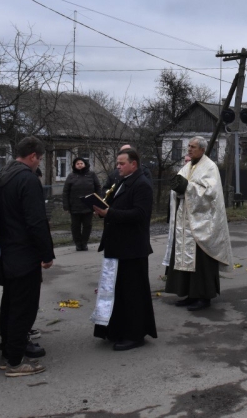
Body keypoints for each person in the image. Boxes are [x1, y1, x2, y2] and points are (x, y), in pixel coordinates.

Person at [0, 137, 54, 377]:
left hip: (7, 251)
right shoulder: (27, 179)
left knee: (10, 305)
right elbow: (36, 221)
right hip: (24, 253)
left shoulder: (1, 176)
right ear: (33, 156)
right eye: (40, 159)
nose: (39, 164)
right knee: (23, 309)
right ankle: (15, 362)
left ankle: (8, 352)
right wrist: (46, 253)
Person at [91, 149, 157, 351]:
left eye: (121, 163)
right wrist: (102, 211)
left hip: (132, 248)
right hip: (118, 245)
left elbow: (139, 215)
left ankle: (134, 334)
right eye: (117, 163)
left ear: (133, 164)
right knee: (117, 291)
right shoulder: (122, 181)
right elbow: (114, 207)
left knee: (133, 293)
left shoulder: (142, 185)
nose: (117, 167)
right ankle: (117, 329)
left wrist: (109, 213)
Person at [163, 136, 233, 312]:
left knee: (201, 262)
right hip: (186, 221)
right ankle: (190, 294)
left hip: (202, 223)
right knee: (186, 259)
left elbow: (211, 193)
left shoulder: (209, 167)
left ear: (202, 149)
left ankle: (203, 296)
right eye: (188, 146)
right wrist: (178, 189)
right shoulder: (188, 166)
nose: (189, 150)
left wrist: (187, 187)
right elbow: (179, 187)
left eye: (192, 147)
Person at [62, 157, 101, 251]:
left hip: (88, 205)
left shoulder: (91, 175)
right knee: (75, 226)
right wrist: (66, 205)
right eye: (77, 164)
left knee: (87, 225)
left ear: (85, 164)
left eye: (81, 163)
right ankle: (78, 244)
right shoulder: (71, 176)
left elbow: (98, 188)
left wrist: (98, 202)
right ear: (75, 166)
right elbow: (66, 191)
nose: (80, 165)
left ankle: (84, 243)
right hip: (75, 205)